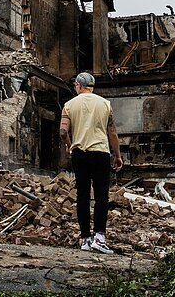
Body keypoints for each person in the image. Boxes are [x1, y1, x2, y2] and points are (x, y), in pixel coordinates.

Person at [59, 72, 123, 254]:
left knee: (83, 195)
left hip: (80, 154)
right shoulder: (105, 104)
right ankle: (100, 238)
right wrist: (117, 155)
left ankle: (86, 239)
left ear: (79, 85)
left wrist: (70, 147)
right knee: (102, 196)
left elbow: (63, 132)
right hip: (101, 153)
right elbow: (112, 133)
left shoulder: (69, 105)